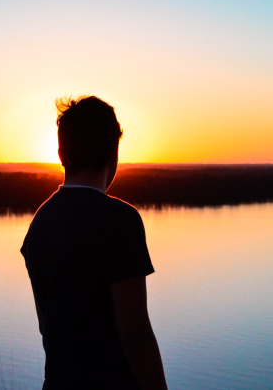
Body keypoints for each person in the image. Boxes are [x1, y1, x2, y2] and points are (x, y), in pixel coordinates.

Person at [20, 96, 169, 390]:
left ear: (61, 153)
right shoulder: (120, 221)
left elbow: (45, 326)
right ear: (112, 154)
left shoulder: (40, 223)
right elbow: (135, 332)